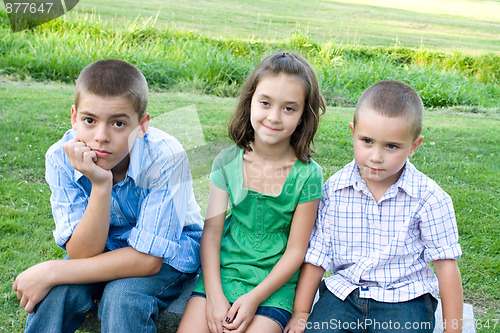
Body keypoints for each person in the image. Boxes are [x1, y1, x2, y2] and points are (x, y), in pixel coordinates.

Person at [12, 59, 203, 332]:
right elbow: (82, 253)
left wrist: (53, 270)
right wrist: (101, 185)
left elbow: (148, 260)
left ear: (142, 125)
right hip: (102, 247)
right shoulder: (59, 157)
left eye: (118, 123)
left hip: (166, 252)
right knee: (56, 294)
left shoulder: (165, 156)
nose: (101, 137)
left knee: (122, 298)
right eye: (89, 120)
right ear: (74, 117)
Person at [285, 80, 463, 333]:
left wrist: (453, 329)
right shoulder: (334, 191)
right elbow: (317, 258)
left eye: (391, 146)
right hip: (345, 294)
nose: (376, 156)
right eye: (367, 141)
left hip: (405, 298)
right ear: (353, 133)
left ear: (414, 146)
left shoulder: (430, 198)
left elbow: (446, 266)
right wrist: (302, 312)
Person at [177, 52, 326, 333]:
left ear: (303, 115)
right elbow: (211, 233)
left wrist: (254, 298)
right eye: (265, 103)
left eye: (289, 108)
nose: (274, 117)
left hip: (273, 287)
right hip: (222, 276)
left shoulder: (308, 175)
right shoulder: (226, 161)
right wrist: (215, 297)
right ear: (250, 102)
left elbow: (296, 251)